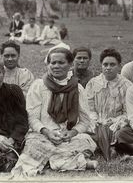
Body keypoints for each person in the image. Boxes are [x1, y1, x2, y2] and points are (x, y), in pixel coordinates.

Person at [11, 47, 97, 177]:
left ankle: (52, 160)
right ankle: (76, 162)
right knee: (34, 143)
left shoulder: (77, 88)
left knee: (85, 141)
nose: (56, 66)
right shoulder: (38, 86)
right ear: (48, 65)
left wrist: (71, 133)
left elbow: (85, 121)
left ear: (70, 65)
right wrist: (47, 132)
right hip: (42, 135)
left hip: (68, 137)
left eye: (61, 63)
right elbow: (32, 118)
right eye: (53, 63)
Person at [85, 48, 132, 159]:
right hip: (97, 121)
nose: (108, 68)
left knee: (122, 131)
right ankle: (107, 147)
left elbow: (128, 111)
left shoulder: (126, 85)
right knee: (87, 129)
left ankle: (108, 146)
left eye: (112, 65)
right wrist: (95, 119)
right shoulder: (93, 83)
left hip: (117, 122)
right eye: (105, 64)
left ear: (119, 66)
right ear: (101, 65)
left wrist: (115, 121)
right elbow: (88, 107)